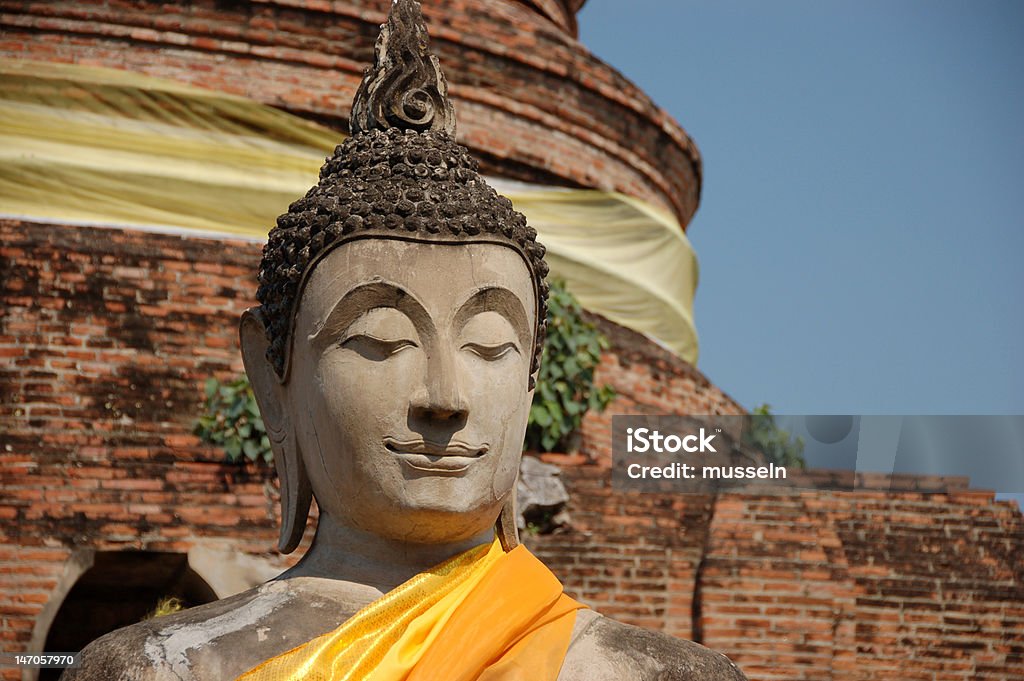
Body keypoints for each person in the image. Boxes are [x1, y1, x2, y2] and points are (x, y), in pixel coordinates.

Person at [64, 2, 747, 679]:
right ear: (274, 385)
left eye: (488, 345)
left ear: (532, 384)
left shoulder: (659, 673)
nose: (444, 398)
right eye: (381, 339)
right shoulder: (156, 667)